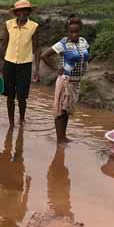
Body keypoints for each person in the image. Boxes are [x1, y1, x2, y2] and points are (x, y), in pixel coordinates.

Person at [0, 0, 40, 127]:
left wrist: (37, 69)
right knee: (10, 96)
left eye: (25, 10)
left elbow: (37, 48)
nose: (23, 13)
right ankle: (11, 123)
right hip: (9, 64)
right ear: (16, 13)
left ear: (29, 12)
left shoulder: (34, 27)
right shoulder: (8, 25)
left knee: (22, 97)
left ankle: (21, 119)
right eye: (20, 11)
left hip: (25, 65)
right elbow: (3, 45)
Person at [41, 16, 90, 144]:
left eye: (76, 31)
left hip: (76, 82)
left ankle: (63, 137)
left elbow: (86, 55)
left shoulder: (83, 42)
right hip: (65, 81)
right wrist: (56, 68)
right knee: (60, 111)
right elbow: (44, 55)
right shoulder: (63, 43)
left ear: (80, 31)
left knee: (66, 110)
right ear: (67, 32)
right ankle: (60, 140)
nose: (74, 34)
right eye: (71, 32)